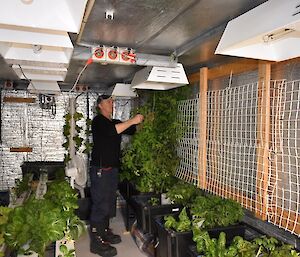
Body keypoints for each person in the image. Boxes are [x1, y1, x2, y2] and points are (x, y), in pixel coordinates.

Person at [89, 94, 144, 257]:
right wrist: (132, 120)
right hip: (100, 170)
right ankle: (96, 242)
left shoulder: (115, 122)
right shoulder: (98, 121)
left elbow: (131, 130)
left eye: (112, 101)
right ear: (100, 105)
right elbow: (114, 131)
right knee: (100, 205)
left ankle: (104, 231)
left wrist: (142, 121)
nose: (112, 104)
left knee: (109, 203)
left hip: (112, 170)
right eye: (108, 102)